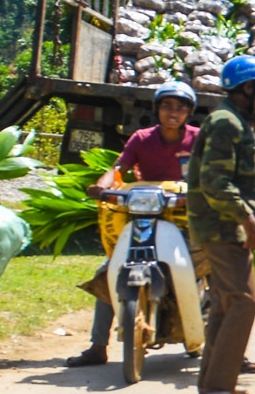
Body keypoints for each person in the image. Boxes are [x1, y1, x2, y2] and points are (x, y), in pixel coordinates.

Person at [65, 82, 201, 368]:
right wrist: (101, 188)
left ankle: (226, 345)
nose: (172, 113)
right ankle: (98, 346)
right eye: (166, 106)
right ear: (157, 110)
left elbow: (210, 173)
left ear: (189, 112)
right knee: (108, 269)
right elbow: (118, 169)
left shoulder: (198, 139)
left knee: (209, 265)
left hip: (185, 215)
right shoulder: (141, 138)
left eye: (179, 108)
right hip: (145, 213)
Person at [187, 56, 255, 394]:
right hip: (222, 227)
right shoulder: (226, 123)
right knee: (243, 301)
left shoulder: (236, 121)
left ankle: (215, 384)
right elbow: (215, 181)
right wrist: (247, 220)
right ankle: (217, 388)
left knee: (225, 303)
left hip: (226, 226)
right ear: (246, 88)